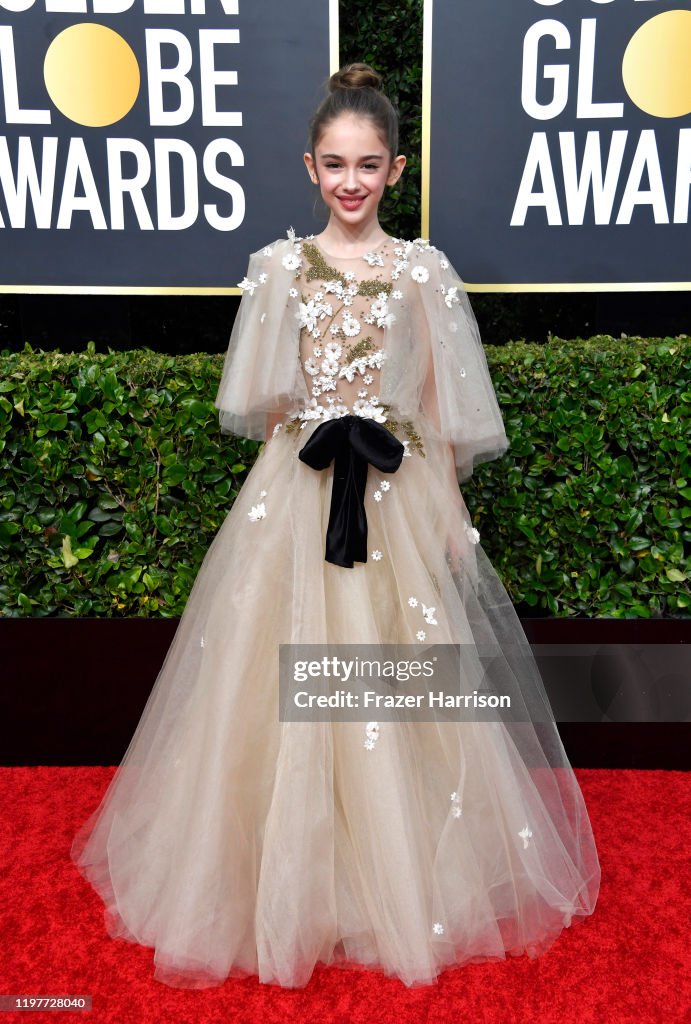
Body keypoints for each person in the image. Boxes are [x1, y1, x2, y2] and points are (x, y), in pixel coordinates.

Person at [70, 62, 600, 990]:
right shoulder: (277, 268)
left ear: (398, 169)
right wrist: (271, 510)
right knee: (271, 684)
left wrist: (449, 512)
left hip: (398, 493)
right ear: (307, 167)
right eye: (333, 163)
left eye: (368, 163)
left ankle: (394, 878)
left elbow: (438, 404)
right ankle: (290, 881)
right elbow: (269, 407)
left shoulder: (423, 270)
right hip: (301, 488)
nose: (350, 180)